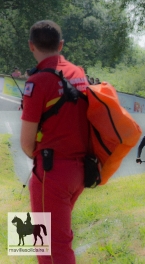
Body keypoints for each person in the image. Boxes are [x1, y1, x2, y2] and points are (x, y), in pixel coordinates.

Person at [20, 20, 90, 264]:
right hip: (81, 170)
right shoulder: (79, 74)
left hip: (51, 173)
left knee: (49, 247)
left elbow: (26, 143)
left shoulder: (37, 82)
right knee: (57, 240)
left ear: (31, 46)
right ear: (61, 45)